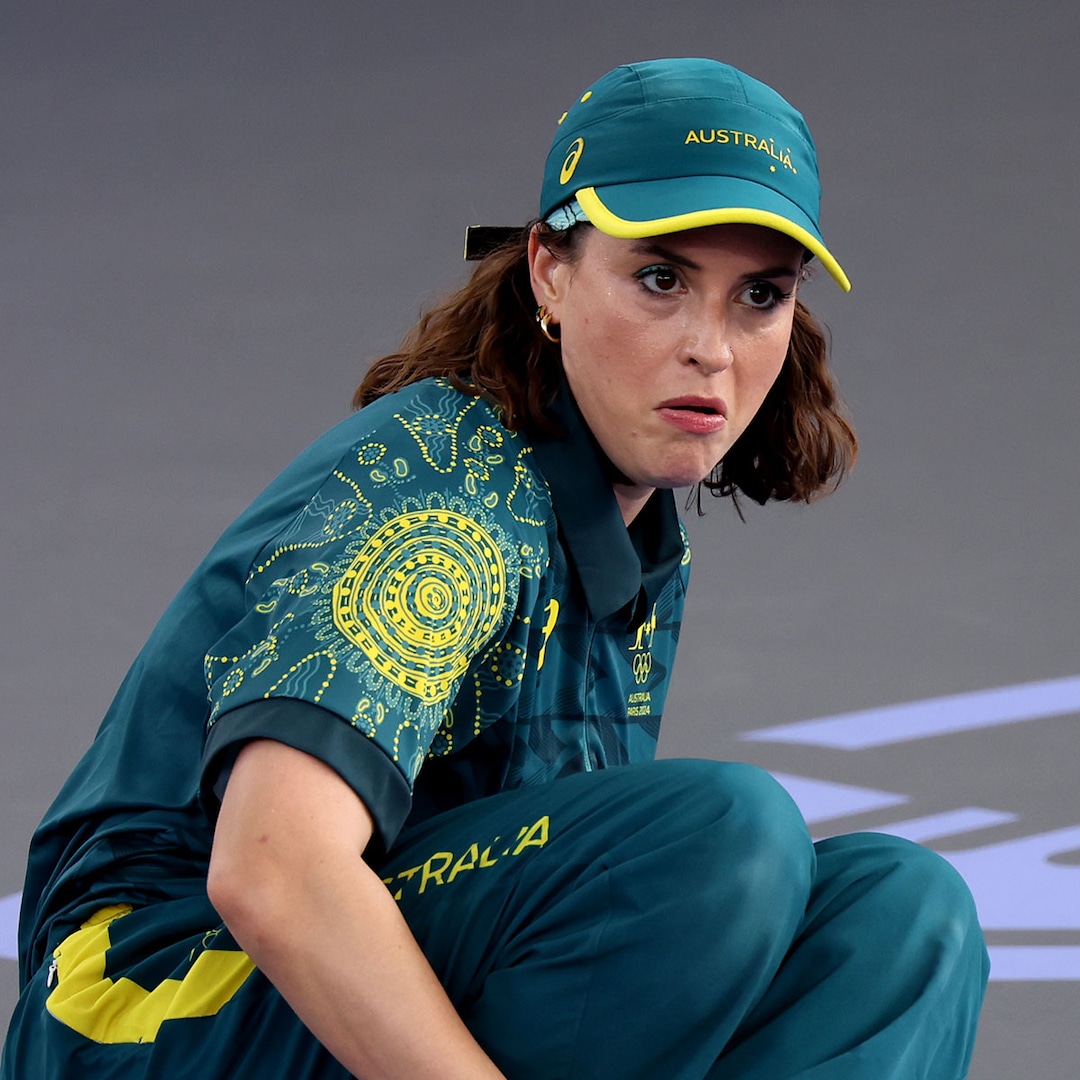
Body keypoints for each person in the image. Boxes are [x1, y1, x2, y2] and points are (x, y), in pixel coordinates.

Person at [2, 58, 988, 1079]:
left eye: (760, 297)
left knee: (903, 916)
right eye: (661, 279)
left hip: (335, 982)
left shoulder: (632, 527)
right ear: (549, 272)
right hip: (144, 1004)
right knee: (722, 838)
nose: (714, 349)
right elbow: (274, 870)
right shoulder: (446, 498)